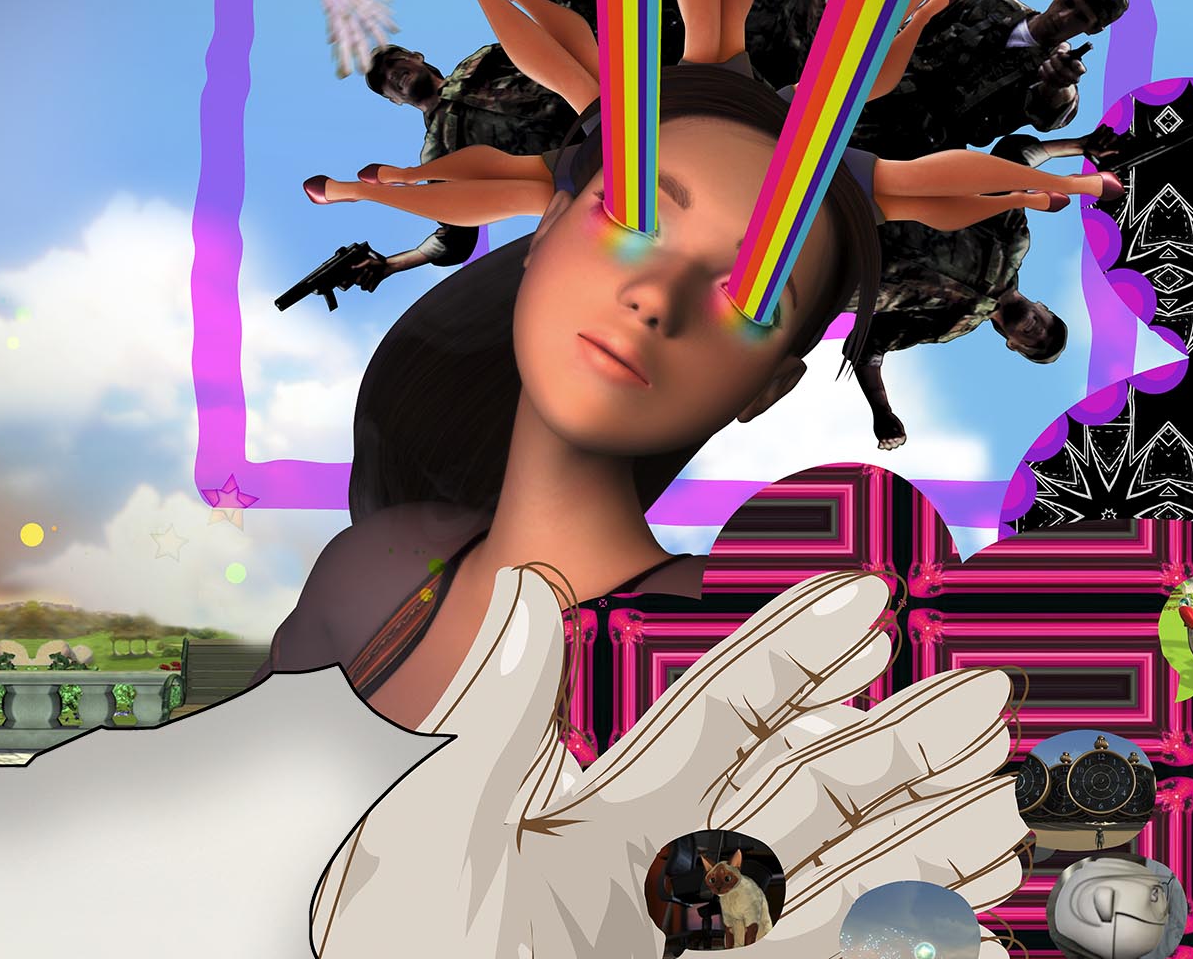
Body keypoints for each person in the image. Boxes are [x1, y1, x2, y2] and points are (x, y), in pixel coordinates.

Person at [277, 58, 946, 729]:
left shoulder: (750, 652)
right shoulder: (369, 573)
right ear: (547, 227)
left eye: (752, 298)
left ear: (767, 389)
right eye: (632, 220)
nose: (657, 298)